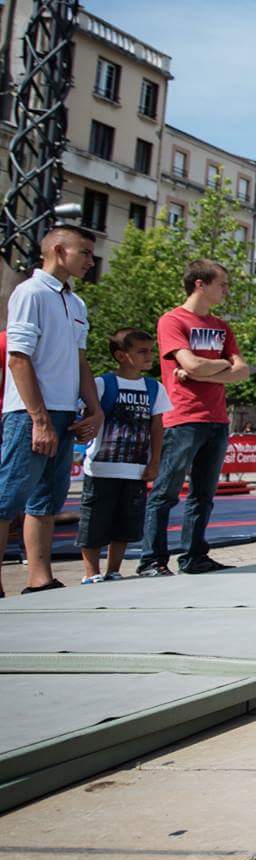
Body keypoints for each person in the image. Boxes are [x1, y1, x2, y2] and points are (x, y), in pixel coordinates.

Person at [1, 226, 101, 592]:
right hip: (28, 413)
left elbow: (80, 360)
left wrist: (94, 409)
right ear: (59, 251)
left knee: (47, 498)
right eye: (85, 253)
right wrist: (38, 419)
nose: (91, 261)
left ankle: (39, 577)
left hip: (64, 412)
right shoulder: (30, 293)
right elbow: (18, 358)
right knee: (8, 495)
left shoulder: (76, 303)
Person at [137, 260, 248, 578]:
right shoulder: (172, 321)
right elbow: (195, 365)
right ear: (200, 284)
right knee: (166, 491)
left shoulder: (222, 327)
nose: (226, 290)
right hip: (183, 417)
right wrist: (217, 366)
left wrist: (201, 369)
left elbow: (241, 372)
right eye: (222, 284)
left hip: (217, 419)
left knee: (204, 494)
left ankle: (194, 555)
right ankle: (152, 559)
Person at [78, 327, 166, 583]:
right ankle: (91, 573)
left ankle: (113, 570)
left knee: (125, 524)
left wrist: (155, 461)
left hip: (135, 470)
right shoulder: (102, 384)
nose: (149, 356)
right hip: (101, 469)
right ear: (121, 355)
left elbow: (157, 426)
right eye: (141, 351)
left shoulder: (153, 388)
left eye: (150, 350)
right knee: (94, 521)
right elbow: (86, 417)